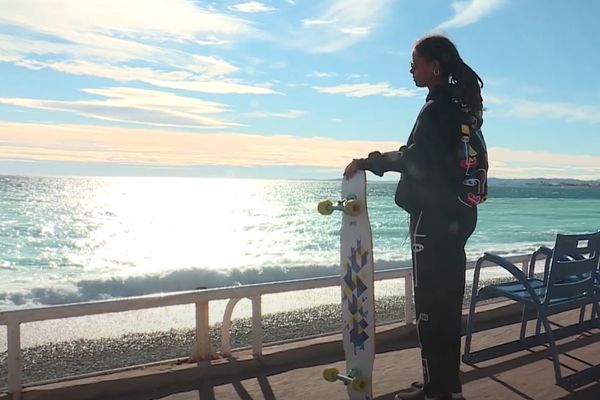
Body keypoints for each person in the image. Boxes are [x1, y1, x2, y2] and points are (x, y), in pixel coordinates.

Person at [344, 34, 488, 400]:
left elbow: (414, 159)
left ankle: (436, 391)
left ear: (434, 67)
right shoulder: (464, 110)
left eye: (416, 62)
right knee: (447, 306)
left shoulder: (436, 108)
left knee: (429, 309)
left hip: (432, 221)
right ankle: (447, 388)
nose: (411, 68)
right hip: (460, 218)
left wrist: (369, 162)